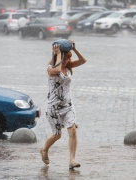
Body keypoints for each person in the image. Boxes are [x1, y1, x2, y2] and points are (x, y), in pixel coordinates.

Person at [40, 40, 87, 169]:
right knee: (57, 135)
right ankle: (44, 149)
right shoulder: (50, 69)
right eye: (64, 58)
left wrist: (75, 49)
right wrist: (58, 54)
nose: (66, 61)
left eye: (67, 58)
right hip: (53, 107)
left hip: (68, 106)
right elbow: (56, 69)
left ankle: (72, 160)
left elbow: (83, 61)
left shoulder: (68, 67)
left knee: (72, 130)